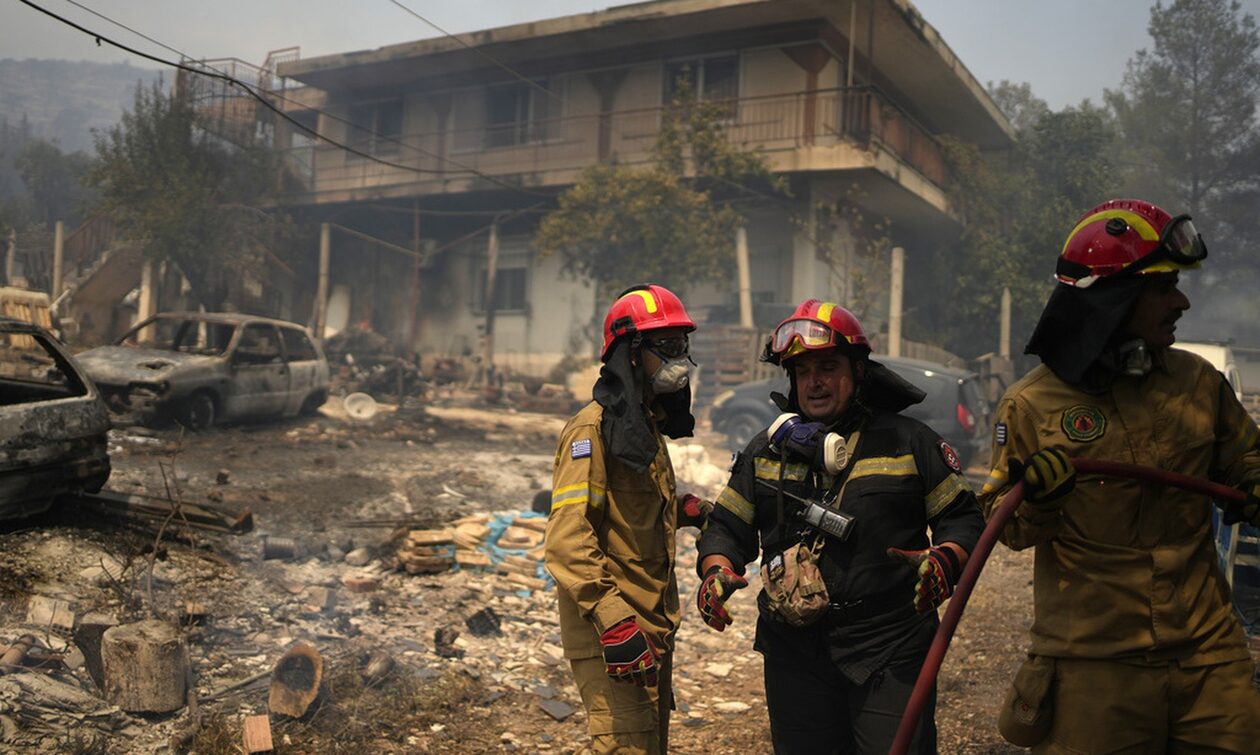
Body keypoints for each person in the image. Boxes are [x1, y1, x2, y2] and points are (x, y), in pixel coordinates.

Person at [981, 198, 1260, 752]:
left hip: (1208, 653)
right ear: (1113, 300)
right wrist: (1039, 499)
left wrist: (1252, 483)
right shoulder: (1031, 405)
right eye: (1162, 288)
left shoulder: (1198, 384)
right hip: (1093, 665)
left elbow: (1246, 458)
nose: (1181, 301)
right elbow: (1003, 526)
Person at [695, 299, 984, 754]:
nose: (815, 382)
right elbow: (728, 527)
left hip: (890, 644)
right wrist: (715, 572)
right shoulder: (765, 452)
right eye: (803, 370)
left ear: (858, 372)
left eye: (828, 367)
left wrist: (945, 561)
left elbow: (964, 518)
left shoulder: (909, 442)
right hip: (793, 651)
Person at [544, 283, 709, 755]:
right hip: (612, 631)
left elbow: (627, 511)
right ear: (632, 354)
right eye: (668, 347)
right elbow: (568, 538)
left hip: (649, 626)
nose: (680, 359)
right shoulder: (592, 430)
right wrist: (614, 621)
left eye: (682, 345)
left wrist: (684, 511)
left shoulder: (640, 425)